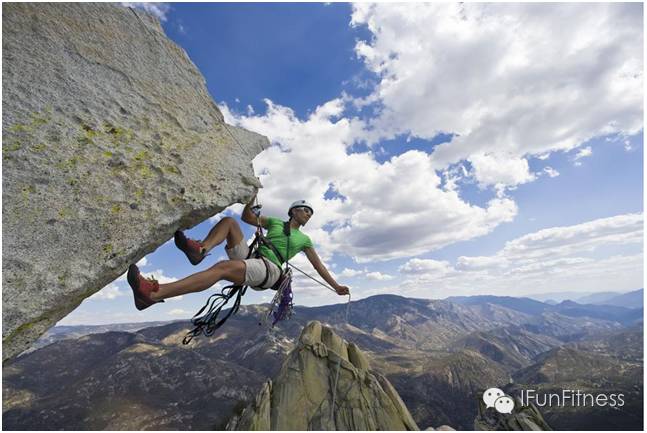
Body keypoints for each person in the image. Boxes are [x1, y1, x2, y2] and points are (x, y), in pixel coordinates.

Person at [127, 193, 350, 310]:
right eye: (305, 210)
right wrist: (252, 195)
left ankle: (155, 294)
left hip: (269, 269)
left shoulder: (305, 240)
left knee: (222, 268)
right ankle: (201, 250)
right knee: (230, 223)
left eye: (310, 212)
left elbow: (318, 266)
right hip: (254, 258)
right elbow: (246, 218)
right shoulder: (273, 222)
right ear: (293, 211)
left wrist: (336, 286)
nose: (308, 214)